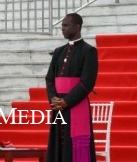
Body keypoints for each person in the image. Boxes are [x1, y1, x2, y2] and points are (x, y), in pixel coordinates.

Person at [45, 13, 98, 162]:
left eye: (66, 25)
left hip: (75, 106)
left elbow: (87, 83)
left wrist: (66, 101)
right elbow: (50, 79)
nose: (62, 28)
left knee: (73, 149)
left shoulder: (89, 51)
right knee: (58, 147)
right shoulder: (58, 52)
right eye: (62, 25)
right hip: (58, 107)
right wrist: (53, 98)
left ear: (77, 27)